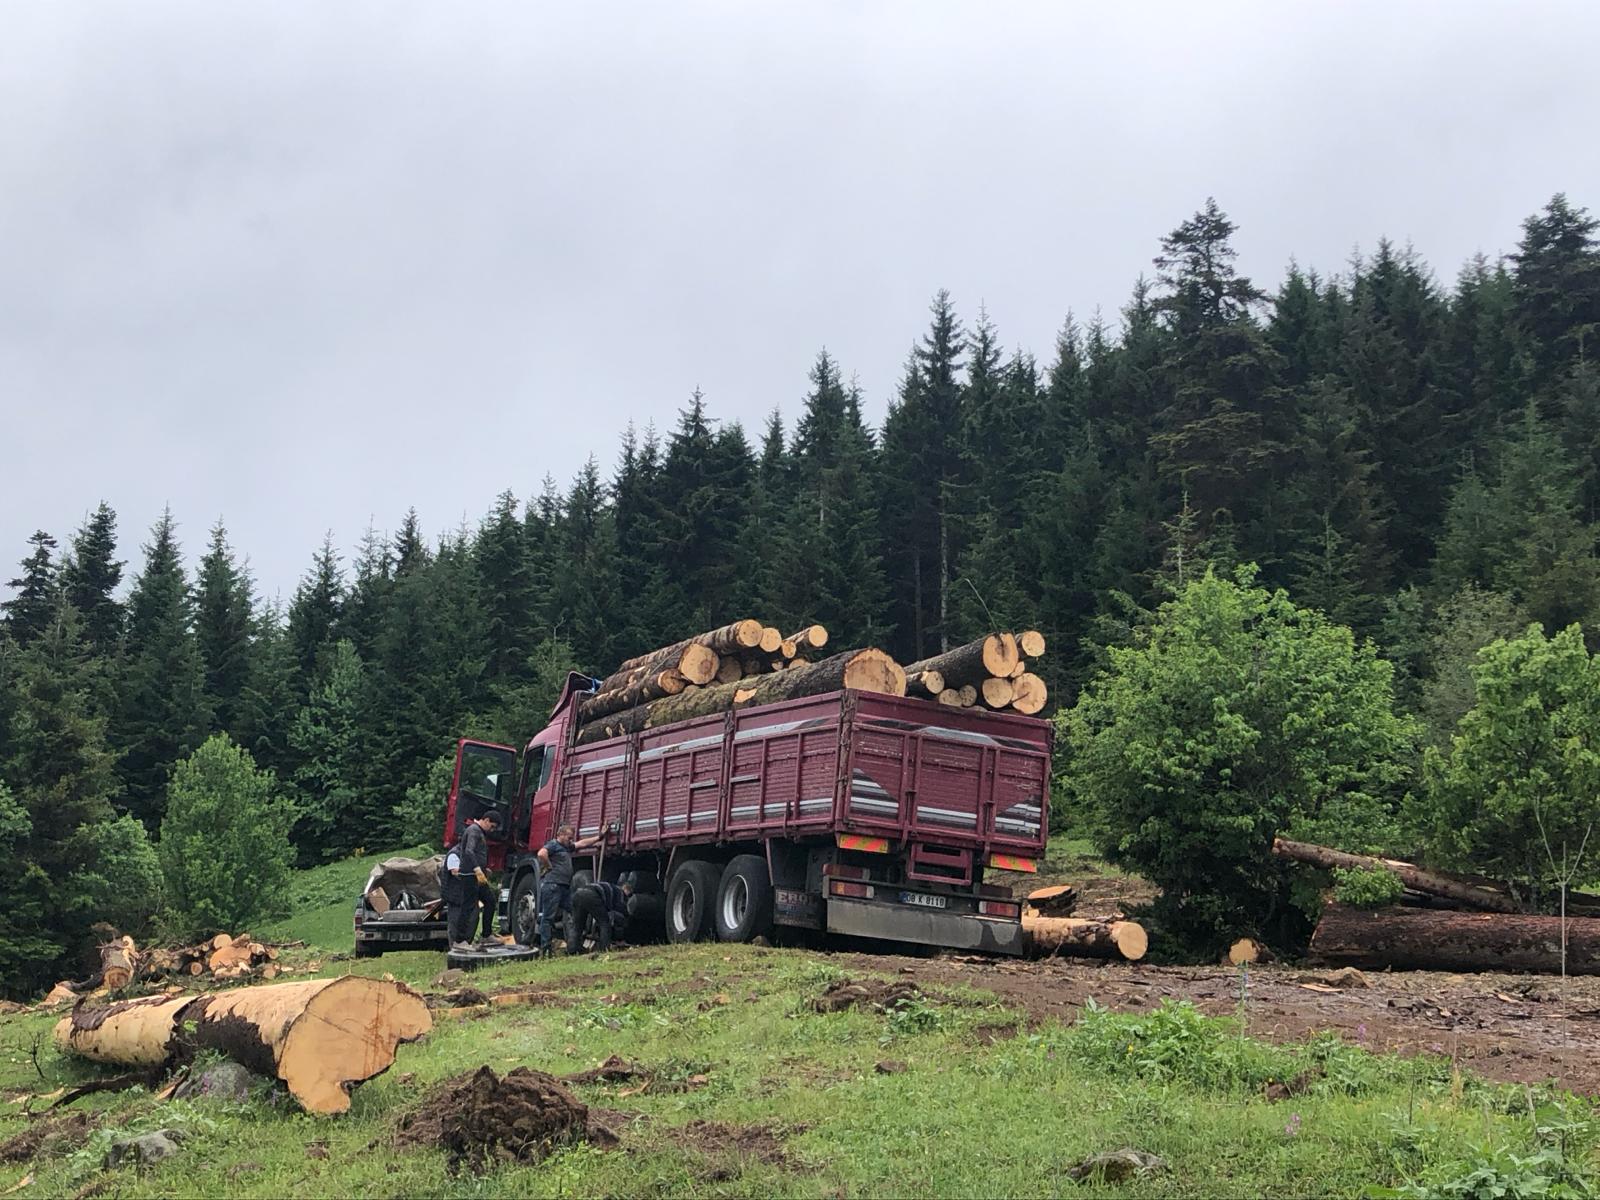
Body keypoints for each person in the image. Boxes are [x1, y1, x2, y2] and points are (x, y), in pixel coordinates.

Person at [535, 822, 600, 956]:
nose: (571, 840)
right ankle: (546, 949)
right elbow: (541, 854)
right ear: (560, 835)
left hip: (564, 887)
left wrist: (598, 837)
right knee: (548, 918)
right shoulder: (553, 845)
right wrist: (548, 866)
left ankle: (575, 944)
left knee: (576, 911)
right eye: (569, 837)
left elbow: (582, 843)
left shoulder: (566, 847)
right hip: (553, 885)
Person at [448, 809, 501, 952]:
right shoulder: (474, 831)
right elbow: (469, 851)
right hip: (470, 875)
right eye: (492, 826)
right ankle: (459, 940)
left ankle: (486, 934)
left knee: (490, 901)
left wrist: (484, 869)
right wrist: (477, 869)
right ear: (486, 820)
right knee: (468, 906)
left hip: (478, 875)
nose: (492, 830)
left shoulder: (480, 833)